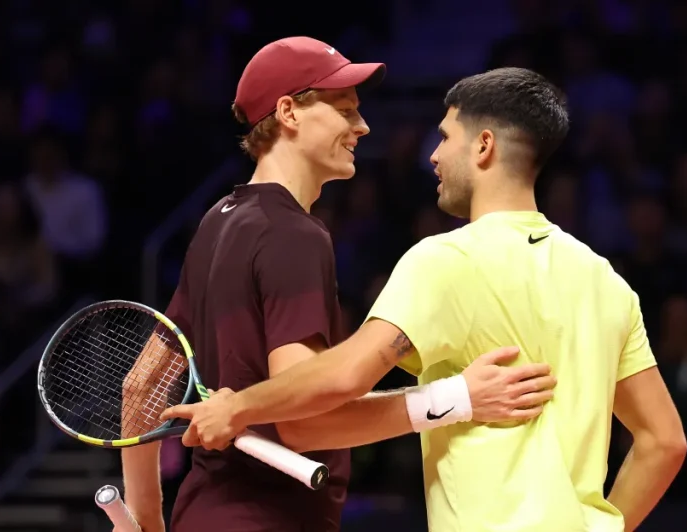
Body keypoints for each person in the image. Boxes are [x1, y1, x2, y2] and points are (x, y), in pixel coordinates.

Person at [162, 67, 687, 531]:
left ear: (483, 146)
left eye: (444, 137)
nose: (433, 155)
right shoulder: (606, 281)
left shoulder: (443, 260)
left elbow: (342, 379)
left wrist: (240, 406)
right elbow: (665, 443)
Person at [122, 38, 556, 532]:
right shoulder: (294, 234)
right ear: (288, 112)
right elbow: (304, 422)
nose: (363, 126)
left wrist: (145, 520)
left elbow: (141, 387)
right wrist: (458, 399)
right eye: (346, 110)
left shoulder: (217, 221)